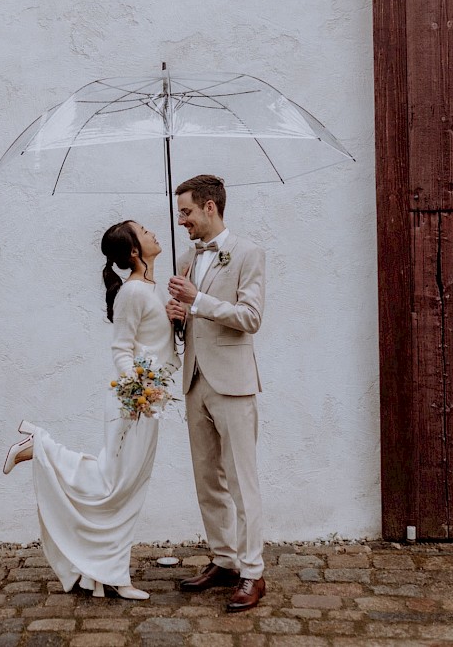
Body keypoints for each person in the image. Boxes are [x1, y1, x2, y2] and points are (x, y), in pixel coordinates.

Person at [2, 220, 178, 601]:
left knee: (122, 486)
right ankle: (42, 448)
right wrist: (138, 394)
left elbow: (157, 340)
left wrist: (178, 320)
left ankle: (100, 573)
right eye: (145, 231)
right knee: (115, 486)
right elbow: (121, 349)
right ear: (134, 251)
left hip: (152, 400)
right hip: (138, 404)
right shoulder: (133, 291)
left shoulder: (150, 288)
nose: (153, 233)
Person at [165, 174, 267, 612]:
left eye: (186, 211)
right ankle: (224, 560)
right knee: (207, 478)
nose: (181, 220)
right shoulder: (188, 258)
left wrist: (197, 300)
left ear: (211, 207)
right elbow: (192, 323)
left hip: (233, 382)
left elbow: (251, 317)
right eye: (179, 212)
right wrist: (177, 316)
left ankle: (252, 572)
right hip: (195, 380)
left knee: (242, 481)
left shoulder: (248, 252)